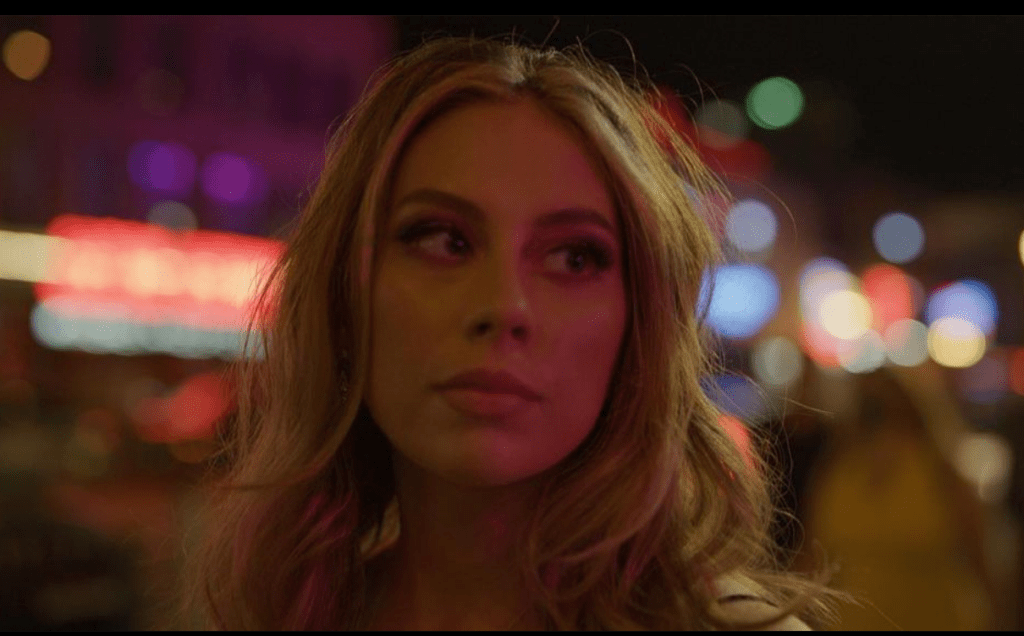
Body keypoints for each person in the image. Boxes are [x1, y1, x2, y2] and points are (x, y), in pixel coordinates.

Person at [182, 35, 842, 630]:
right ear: (344, 295)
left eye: (574, 257)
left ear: (640, 325)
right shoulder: (283, 614)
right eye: (443, 240)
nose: (504, 306)